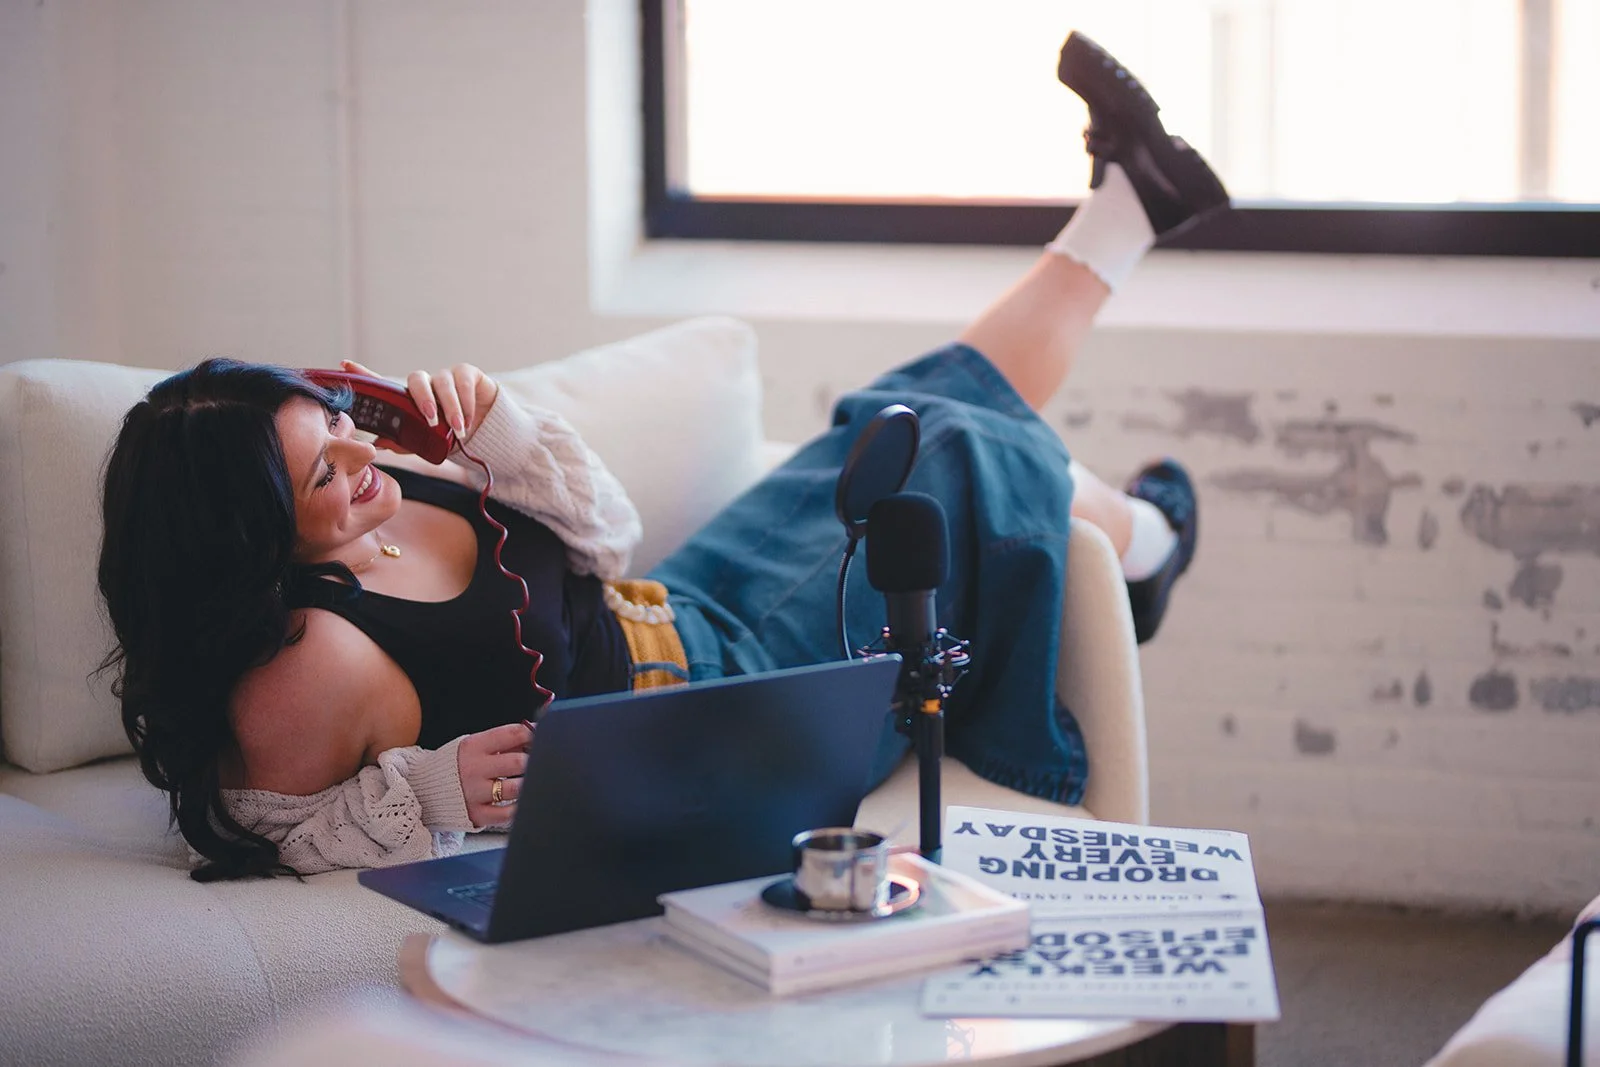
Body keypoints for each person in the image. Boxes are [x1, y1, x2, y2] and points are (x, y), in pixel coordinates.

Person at [96, 32, 1225, 880]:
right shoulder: (308, 664)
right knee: (960, 446)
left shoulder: (387, 477)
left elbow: (606, 534)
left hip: (677, 607)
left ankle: (1132, 206)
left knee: (908, 415)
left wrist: (498, 439)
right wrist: (428, 791)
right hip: (717, 727)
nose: (357, 452)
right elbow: (263, 825)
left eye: (330, 421)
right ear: (249, 538)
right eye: (322, 473)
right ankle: (1155, 537)